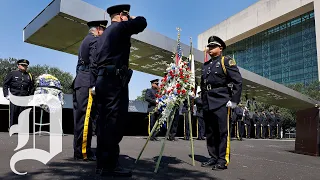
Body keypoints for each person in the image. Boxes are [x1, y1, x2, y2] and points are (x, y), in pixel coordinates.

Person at [93, 4, 147, 177]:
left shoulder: (104, 34)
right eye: (126, 14)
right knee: (114, 122)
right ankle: (110, 166)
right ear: (122, 15)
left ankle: (102, 164)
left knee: (103, 123)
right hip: (114, 82)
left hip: (103, 80)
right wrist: (131, 18)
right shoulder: (120, 27)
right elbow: (142, 23)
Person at [200, 36, 242, 170]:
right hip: (208, 101)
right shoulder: (206, 65)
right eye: (209, 47)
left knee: (222, 131)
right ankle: (213, 157)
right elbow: (202, 85)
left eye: (213, 47)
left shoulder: (226, 61)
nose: (210, 49)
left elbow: (237, 81)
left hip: (221, 100)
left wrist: (234, 101)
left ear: (220, 48)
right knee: (210, 131)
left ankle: (222, 159)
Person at [72, 20, 108, 161]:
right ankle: (83, 152)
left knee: (80, 118)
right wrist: (94, 84)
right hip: (88, 82)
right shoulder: (94, 40)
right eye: (103, 30)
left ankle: (79, 150)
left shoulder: (84, 41)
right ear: (99, 29)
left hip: (80, 80)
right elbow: (94, 64)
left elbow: (79, 65)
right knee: (86, 118)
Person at [3, 59, 34, 130]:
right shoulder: (12, 73)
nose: (24, 67)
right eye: (23, 65)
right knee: (13, 113)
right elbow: (5, 84)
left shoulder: (29, 75)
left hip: (24, 98)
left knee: (23, 114)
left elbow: (32, 87)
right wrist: (6, 95)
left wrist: (30, 96)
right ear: (18, 65)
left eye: (26, 66)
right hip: (14, 96)